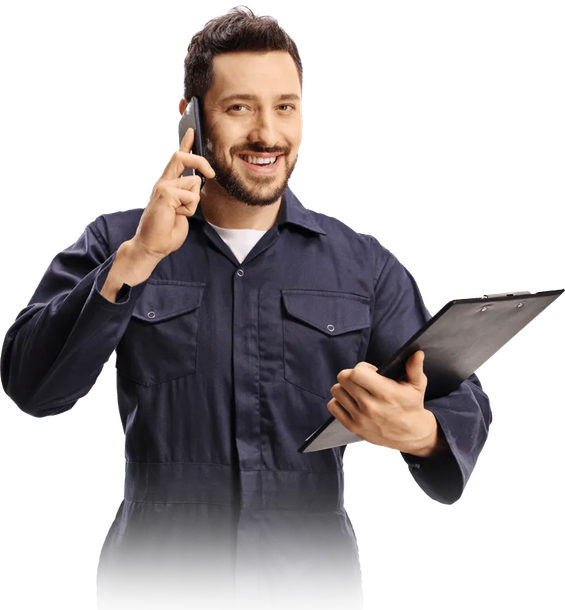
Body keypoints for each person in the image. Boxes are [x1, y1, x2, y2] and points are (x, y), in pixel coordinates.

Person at [0, 6, 492, 610]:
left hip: (311, 588)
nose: (268, 132)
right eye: (240, 108)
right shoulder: (114, 243)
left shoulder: (363, 265)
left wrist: (421, 434)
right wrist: (137, 260)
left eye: (285, 106)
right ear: (192, 121)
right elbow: (32, 386)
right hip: (157, 587)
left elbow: (459, 401)